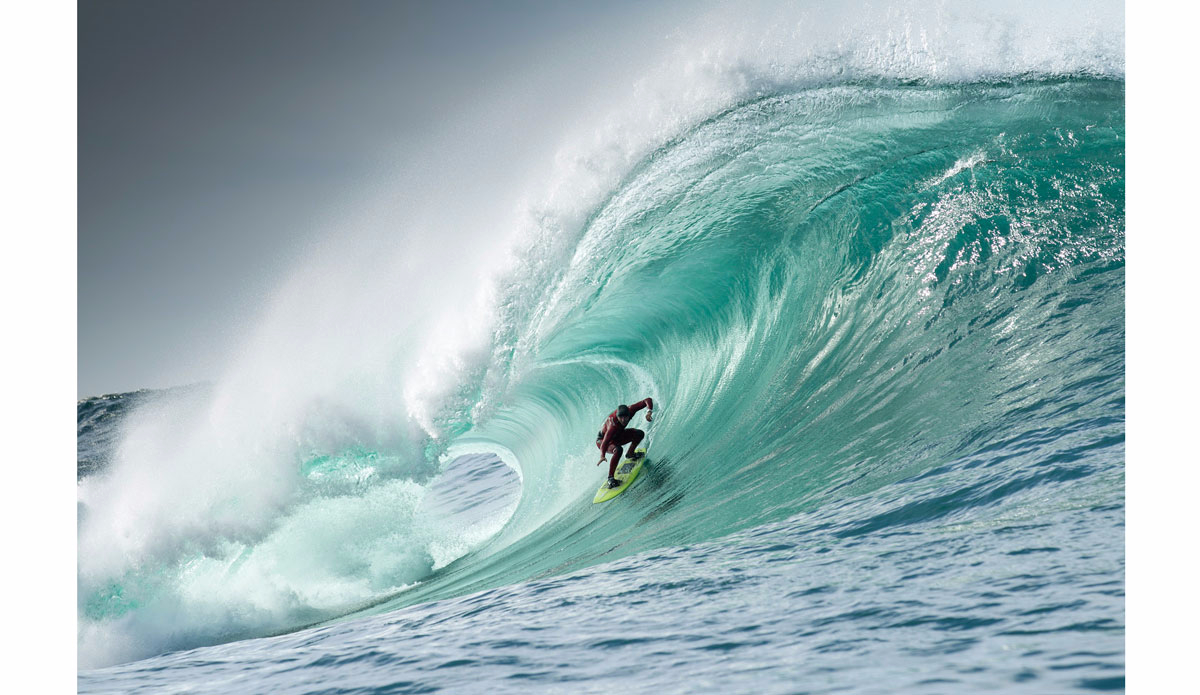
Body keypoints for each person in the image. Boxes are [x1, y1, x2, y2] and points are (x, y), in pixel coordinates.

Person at [596, 397, 654, 488]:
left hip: (617, 435)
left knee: (639, 434)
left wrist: (649, 412)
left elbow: (647, 400)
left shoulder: (630, 410)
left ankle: (630, 454)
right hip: (602, 440)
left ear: (629, 414)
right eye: (620, 417)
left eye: (625, 417)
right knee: (618, 450)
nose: (623, 420)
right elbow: (605, 442)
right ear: (617, 416)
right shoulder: (612, 425)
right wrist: (602, 456)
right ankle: (610, 478)